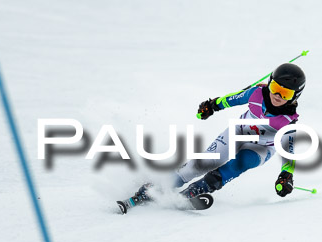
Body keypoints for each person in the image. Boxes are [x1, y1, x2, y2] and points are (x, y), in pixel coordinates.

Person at [117, 63, 305, 214]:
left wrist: (286, 175)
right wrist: (212, 106)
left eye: (286, 93)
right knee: (204, 162)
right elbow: (232, 99)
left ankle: (198, 188)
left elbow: (288, 151)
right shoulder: (256, 94)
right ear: (269, 83)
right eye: (275, 88)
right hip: (238, 132)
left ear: (295, 96)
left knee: (243, 162)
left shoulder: (288, 121)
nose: (277, 95)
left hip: (262, 147)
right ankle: (155, 188)